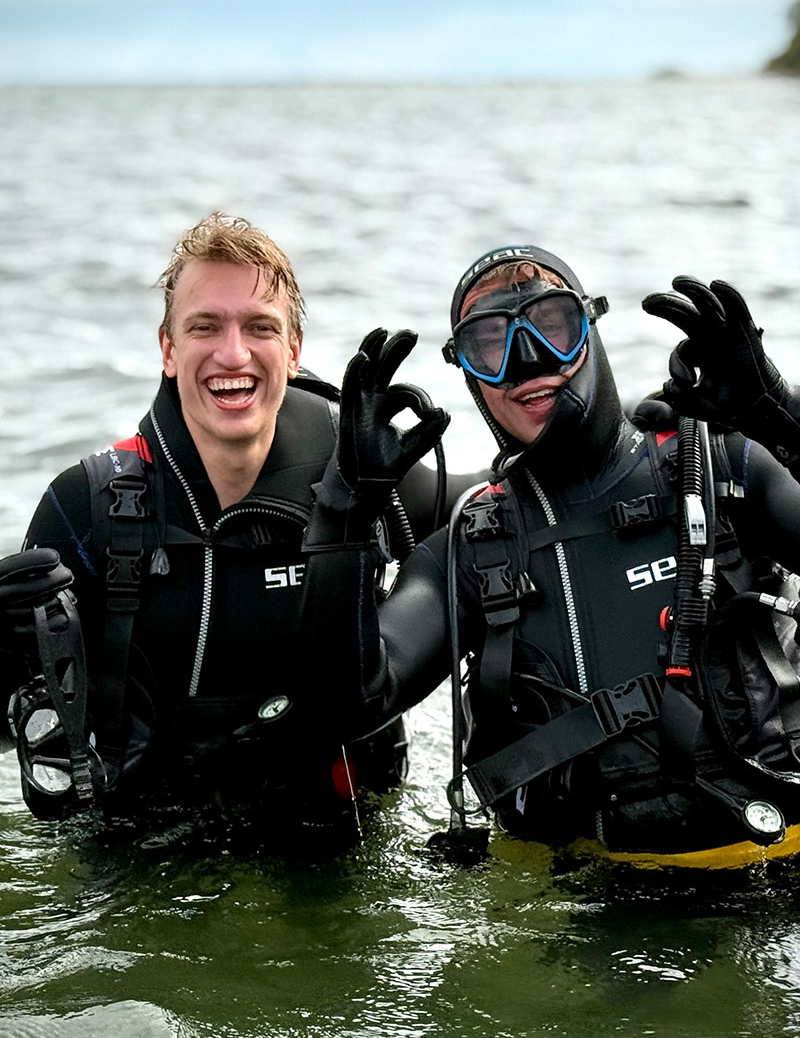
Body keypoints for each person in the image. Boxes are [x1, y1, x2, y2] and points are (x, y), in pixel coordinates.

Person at [300, 245, 800, 869]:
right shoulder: (471, 548)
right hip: (589, 896)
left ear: (590, 326)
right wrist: (345, 512)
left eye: (552, 325)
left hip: (779, 870)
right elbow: (344, 705)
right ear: (468, 373)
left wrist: (780, 414)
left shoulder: (723, 468)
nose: (528, 360)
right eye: (490, 344)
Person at [0, 212, 454, 840]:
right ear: (168, 349)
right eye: (205, 326)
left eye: (260, 327)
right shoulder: (88, 508)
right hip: (147, 849)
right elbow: (19, 724)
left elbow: (509, 503)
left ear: (293, 350)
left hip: (337, 837)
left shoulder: (363, 471)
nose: (233, 353)